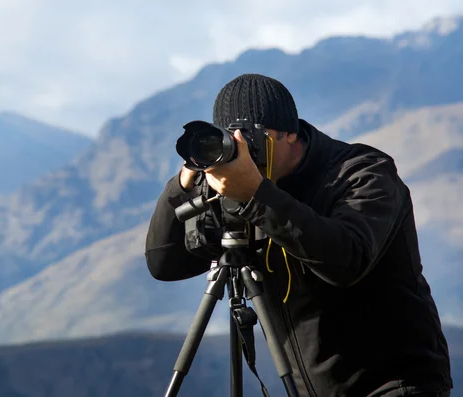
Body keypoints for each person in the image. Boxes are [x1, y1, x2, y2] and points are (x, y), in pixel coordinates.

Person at [144, 73, 453, 397]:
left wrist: (257, 195)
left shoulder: (362, 173)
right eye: (230, 141)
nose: (242, 153)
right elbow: (164, 264)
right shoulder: (228, 192)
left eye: (250, 139)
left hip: (393, 385)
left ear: (290, 132)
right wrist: (183, 183)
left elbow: (346, 260)